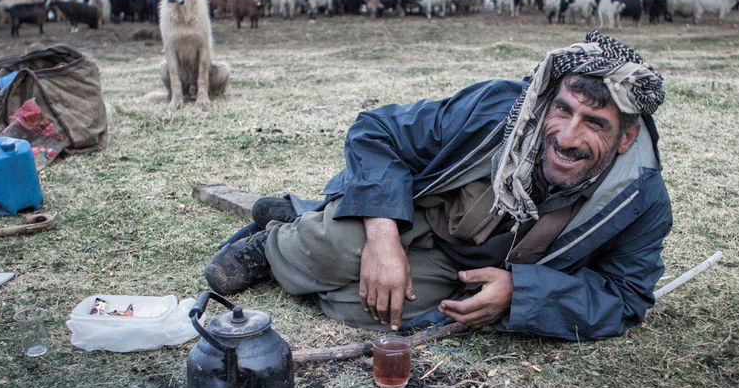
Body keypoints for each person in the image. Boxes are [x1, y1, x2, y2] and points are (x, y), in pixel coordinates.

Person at [206, 30, 672, 341]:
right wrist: (383, 240)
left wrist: (521, 294)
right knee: (331, 249)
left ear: (627, 136)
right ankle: (276, 242)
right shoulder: (497, 108)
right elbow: (377, 130)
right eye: (564, 109)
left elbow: (625, 296)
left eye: (594, 123)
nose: (568, 137)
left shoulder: (640, 198)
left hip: (470, 269)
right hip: (413, 209)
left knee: (368, 312)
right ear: (547, 99)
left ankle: (308, 221)